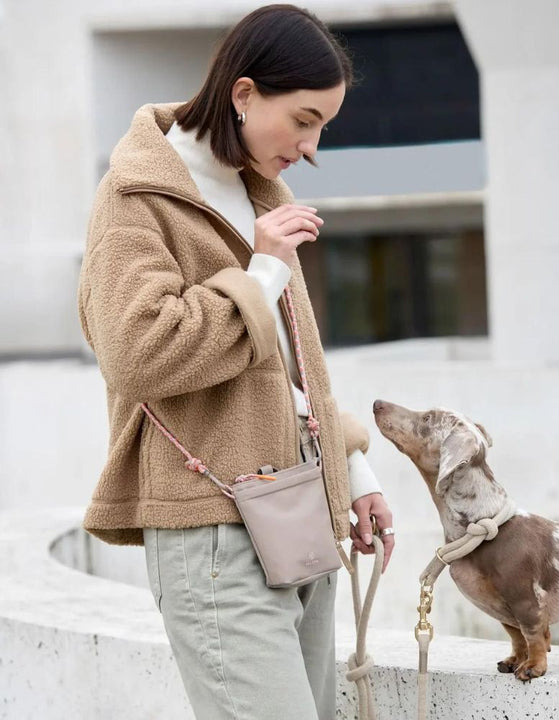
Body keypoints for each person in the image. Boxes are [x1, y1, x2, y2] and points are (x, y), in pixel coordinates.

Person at [77, 5, 395, 718]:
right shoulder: (136, 199)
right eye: (305, 120)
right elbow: (137, 352)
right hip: (212, 529)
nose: (311, 147)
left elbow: (282, 371)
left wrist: (353, 470)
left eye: (323, 129)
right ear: (244, 93)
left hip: (300, 510)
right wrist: (263, 275)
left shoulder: (259, 190)